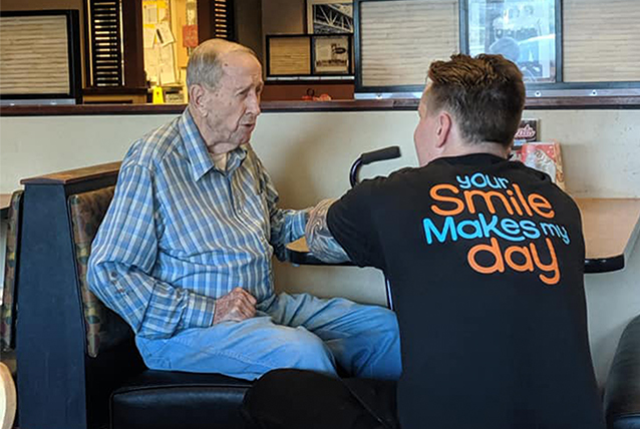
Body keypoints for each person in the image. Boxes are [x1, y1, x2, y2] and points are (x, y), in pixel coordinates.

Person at [243, 54, 606, 429]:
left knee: (273, 392)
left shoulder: (394, 196)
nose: (418, 130)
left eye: (420, 117)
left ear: (441, 127)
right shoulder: (559, 204)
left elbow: (315, 237)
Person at [87, 39, 401, 382]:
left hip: (262, 307)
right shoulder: (153, 161)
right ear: (200, 98)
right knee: (302, 353)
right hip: (186, 333)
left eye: (258, 91)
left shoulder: (242, 154)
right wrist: (210, 310)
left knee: (385, 329)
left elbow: (275, 228)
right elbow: (109, 271)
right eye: (243, 94)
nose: (256, 107)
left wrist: (328, 219)